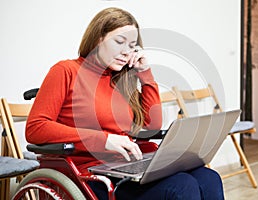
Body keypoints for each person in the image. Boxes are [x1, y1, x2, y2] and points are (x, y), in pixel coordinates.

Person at [26, 7, 224, 200]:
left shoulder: (120, 81)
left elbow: (151, 126)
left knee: (208, 178)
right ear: (98, 39)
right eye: (119, 42)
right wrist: (104, 140)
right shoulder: (65, 70)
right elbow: (36, 128)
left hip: (126, 169)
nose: (126, 52)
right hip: (90, 176)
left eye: (131, 46)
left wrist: (145, 73)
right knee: (182, 185)